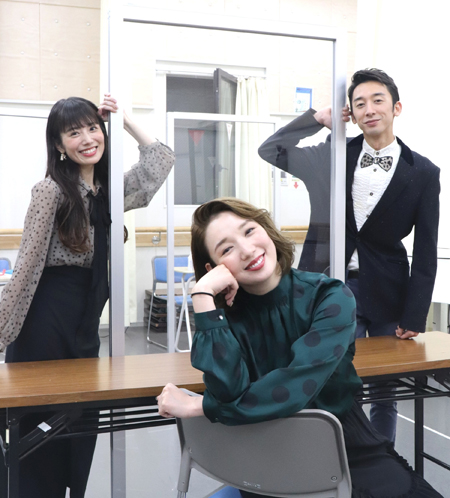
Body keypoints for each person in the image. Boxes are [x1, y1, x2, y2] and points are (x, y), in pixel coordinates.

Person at [157, 197, 442, 498]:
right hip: (266, 460)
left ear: (266, 230)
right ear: (212, 268)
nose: (247, 250)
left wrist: (201, 406)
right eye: (226, 249)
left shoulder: (329, 296)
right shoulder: (222, 322)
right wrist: (202, 293)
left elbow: (296, 387)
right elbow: (227, 391)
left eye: (249, 231)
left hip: (347, 452)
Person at [0, 94, 175, 497]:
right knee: (39, 429)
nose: (87, 139)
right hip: (46, 321)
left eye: (93, 128)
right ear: (59, 145)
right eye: (74, 132)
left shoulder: (110, 190)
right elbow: (26, 268)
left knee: (78, 423)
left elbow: (160, 162)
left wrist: (125, 118)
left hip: (84, 322)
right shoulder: (50, 191)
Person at [258, 68, 440, 443]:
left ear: (396, 108)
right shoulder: (332, 155)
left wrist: (415, 314)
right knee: (339, 383)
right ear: (351, 115)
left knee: (386, 390)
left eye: (377, 100)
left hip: (389, 293)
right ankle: (343, 459)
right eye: (359, 104)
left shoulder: (423, 171)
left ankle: (383, 456)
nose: (369, 109)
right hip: (331, 288)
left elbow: (426, 249)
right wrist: (316, 118)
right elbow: (270, 150)